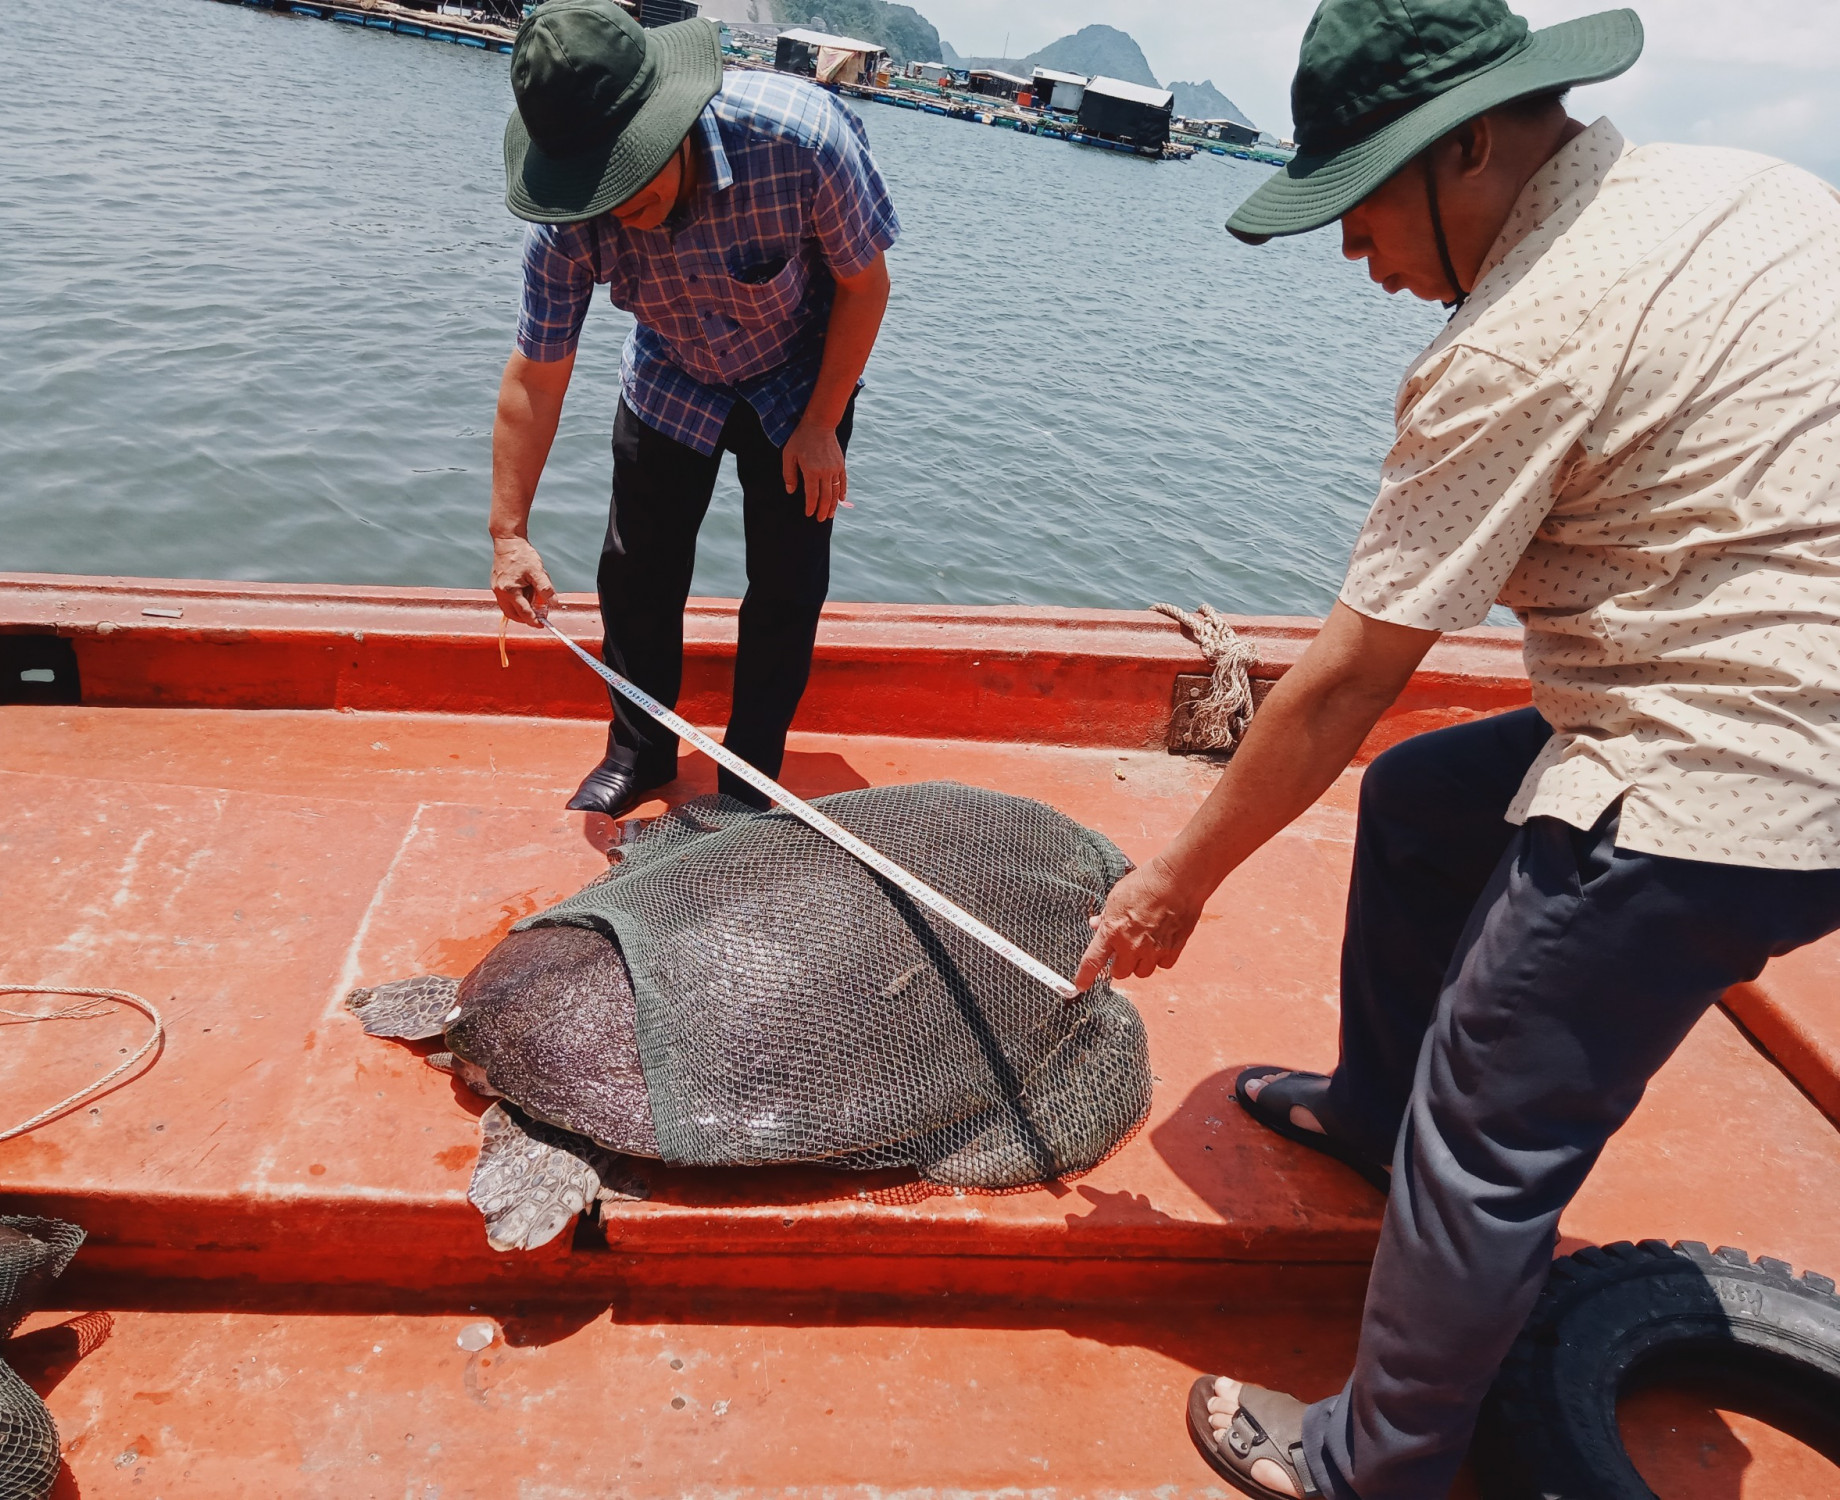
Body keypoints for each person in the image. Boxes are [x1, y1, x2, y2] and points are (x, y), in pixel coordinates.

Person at [1070, 1, 1840, 1495]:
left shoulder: (1514, 344)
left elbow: (1348, 678)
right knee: (1429, 801)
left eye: (1361, 202)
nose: (1355, 252)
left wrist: (1172, 883)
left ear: (1472, 144)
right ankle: (1371, 1110)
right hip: (1793, 707)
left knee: (1486, 1141)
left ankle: (1377, 1461)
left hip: (1721, 782)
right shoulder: (1745, 191)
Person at [488, 0, 898, 815]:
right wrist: (508, 533)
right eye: (593, 197)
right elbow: (538, 373)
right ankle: (640, 752)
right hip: (671, 366)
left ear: (670, 125)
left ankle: (750, 773)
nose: (614, 215)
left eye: (629, 185)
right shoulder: (569, 223)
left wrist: (821, 426)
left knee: (786, 579)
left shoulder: (801, 140)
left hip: (799, 375)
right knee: (637, 569)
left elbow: (864, 286)